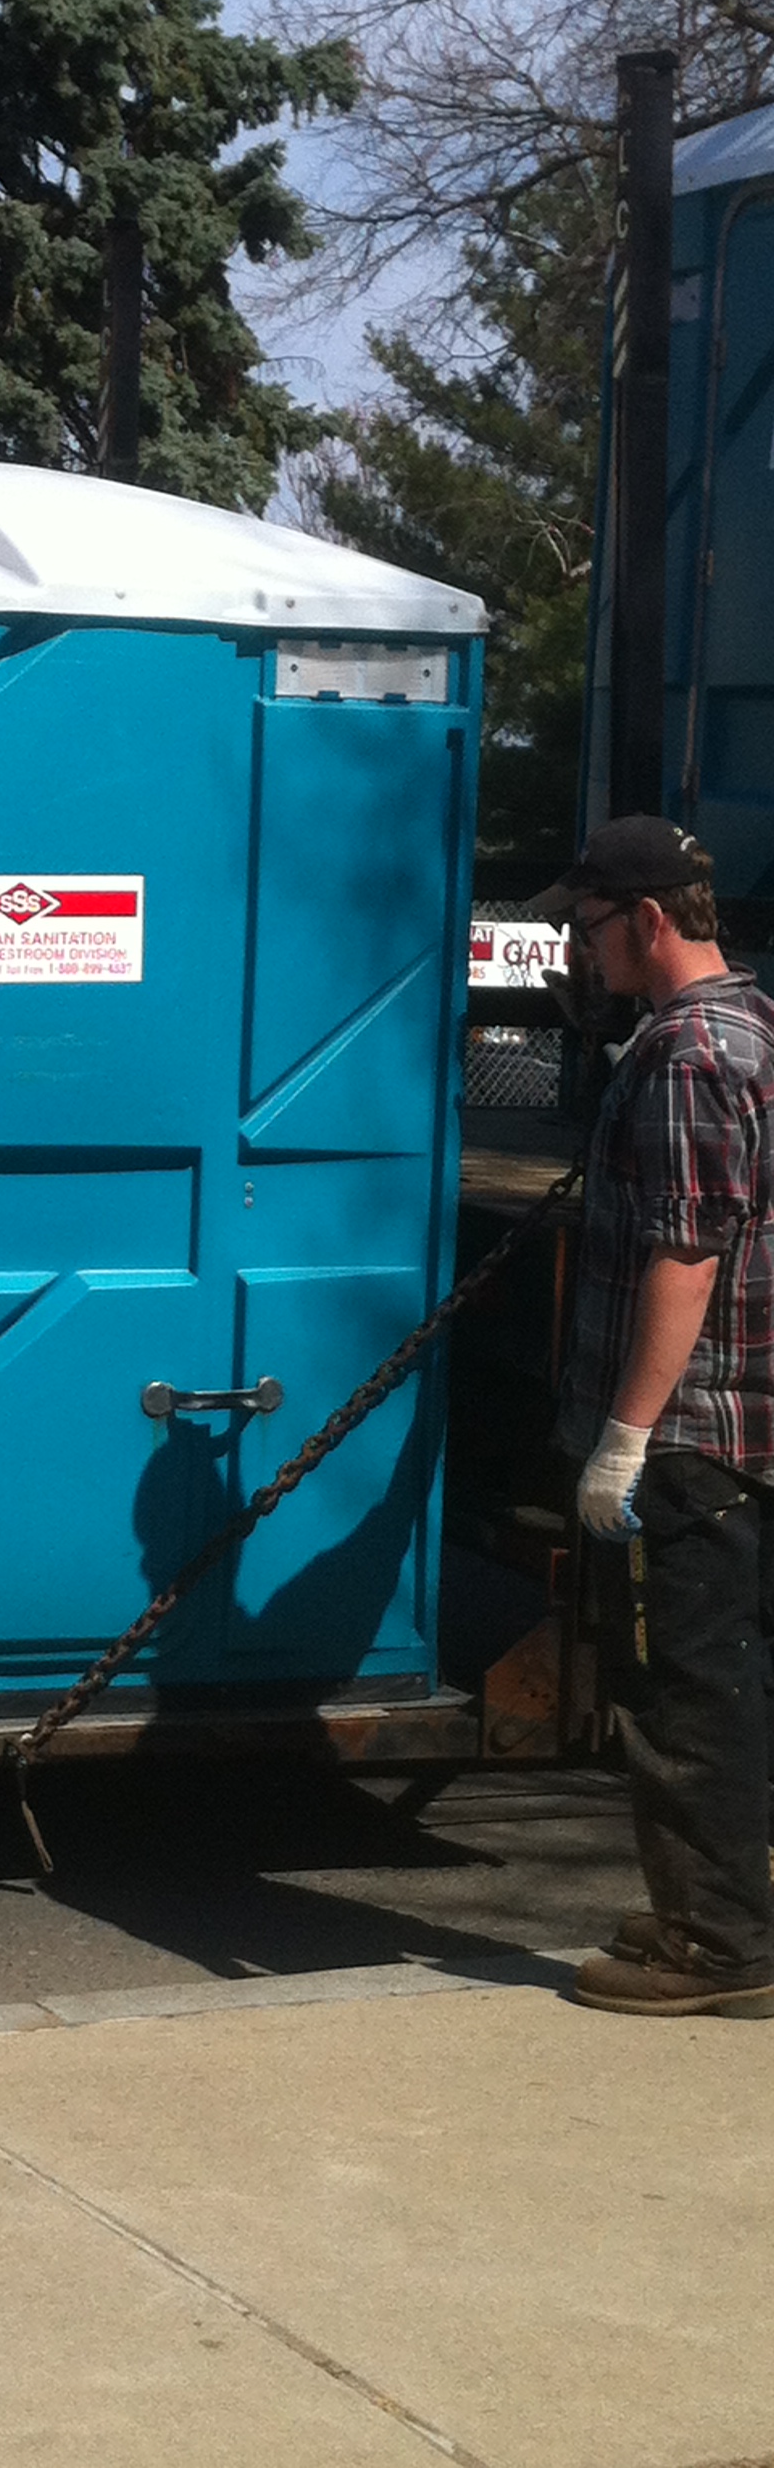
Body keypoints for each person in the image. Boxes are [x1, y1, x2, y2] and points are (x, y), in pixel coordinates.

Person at [531, 817, 774, 2016]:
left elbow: (686, 1255)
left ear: (649, 921)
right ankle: (722, 1906)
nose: (579, 950)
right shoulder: (752, 1024)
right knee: (728, 1676)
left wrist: (624, 1440)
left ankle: (716, 1951)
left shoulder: (687, 1055)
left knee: (682, 1692)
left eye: (585, 926)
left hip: (689, 1440)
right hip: (740, 1426)